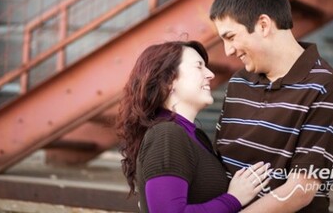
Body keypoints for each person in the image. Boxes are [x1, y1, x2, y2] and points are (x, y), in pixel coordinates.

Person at [209, 0, 333, 212]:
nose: (228, 50)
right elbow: (220, 165)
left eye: (231, 37)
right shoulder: (238, 83)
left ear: (263, 25)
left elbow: (300, 190)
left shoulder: (326, 86)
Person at [116, 40, 271, 212]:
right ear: (169, 81)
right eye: (199, 66)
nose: (210, 74)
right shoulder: (166, 135)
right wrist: (234, 198)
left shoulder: (193, 136)